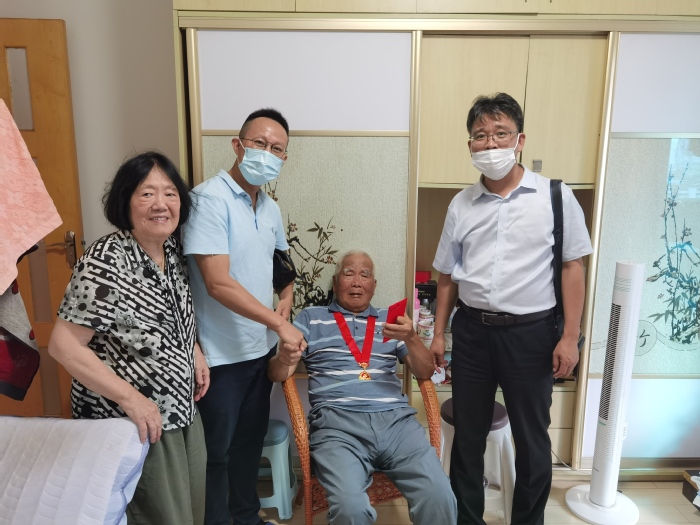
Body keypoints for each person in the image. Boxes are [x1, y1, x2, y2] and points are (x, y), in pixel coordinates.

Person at [431, 93, 593, 525]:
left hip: (532, 336)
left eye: (500, 133)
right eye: (480, 136)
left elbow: (573, 268)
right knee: (468, 439)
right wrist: (438, 333)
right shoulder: (460, 204)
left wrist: (570, 337)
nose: (490, 144)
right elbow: (446, 276)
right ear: (470, 145)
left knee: (532, 442)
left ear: (520, 140)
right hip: (472, 334)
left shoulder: (555, 197)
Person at [48, 151, 209, 525]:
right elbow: (64, 345)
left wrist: (194, 350)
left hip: (180, 408)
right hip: (133, 420)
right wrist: (132, 400)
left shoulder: (171, 249)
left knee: (190, 510)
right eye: (146, 193)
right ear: (126, 201)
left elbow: (173, 314)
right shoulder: (106, 260)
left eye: (170, 193)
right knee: (157, 515)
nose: (160, 204)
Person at [181, 108, 306, 525]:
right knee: (216, 454)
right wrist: (279, 322)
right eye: (259, 144)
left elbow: (281, 262)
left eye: (277, 149)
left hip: (259, 351)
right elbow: (217, 282)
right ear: (238, 146)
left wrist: (286, 295)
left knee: (248, 446)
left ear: (284, 159)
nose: (267, 154)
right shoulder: (207, 200)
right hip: (219, 356)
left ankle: (247, 518)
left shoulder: (269, 207)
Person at [269, 250, 458, 525]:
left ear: (374, 285)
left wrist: (412, 338)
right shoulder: (312, 318)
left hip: (397, 424)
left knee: (439, 495)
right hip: (337, 426)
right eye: (348, 273)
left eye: (365, 275)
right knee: (350, 508)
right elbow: (277, 374)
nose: (357, 282)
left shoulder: (391, 320)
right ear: (336, 282)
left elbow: (425, 371)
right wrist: (285, 358)